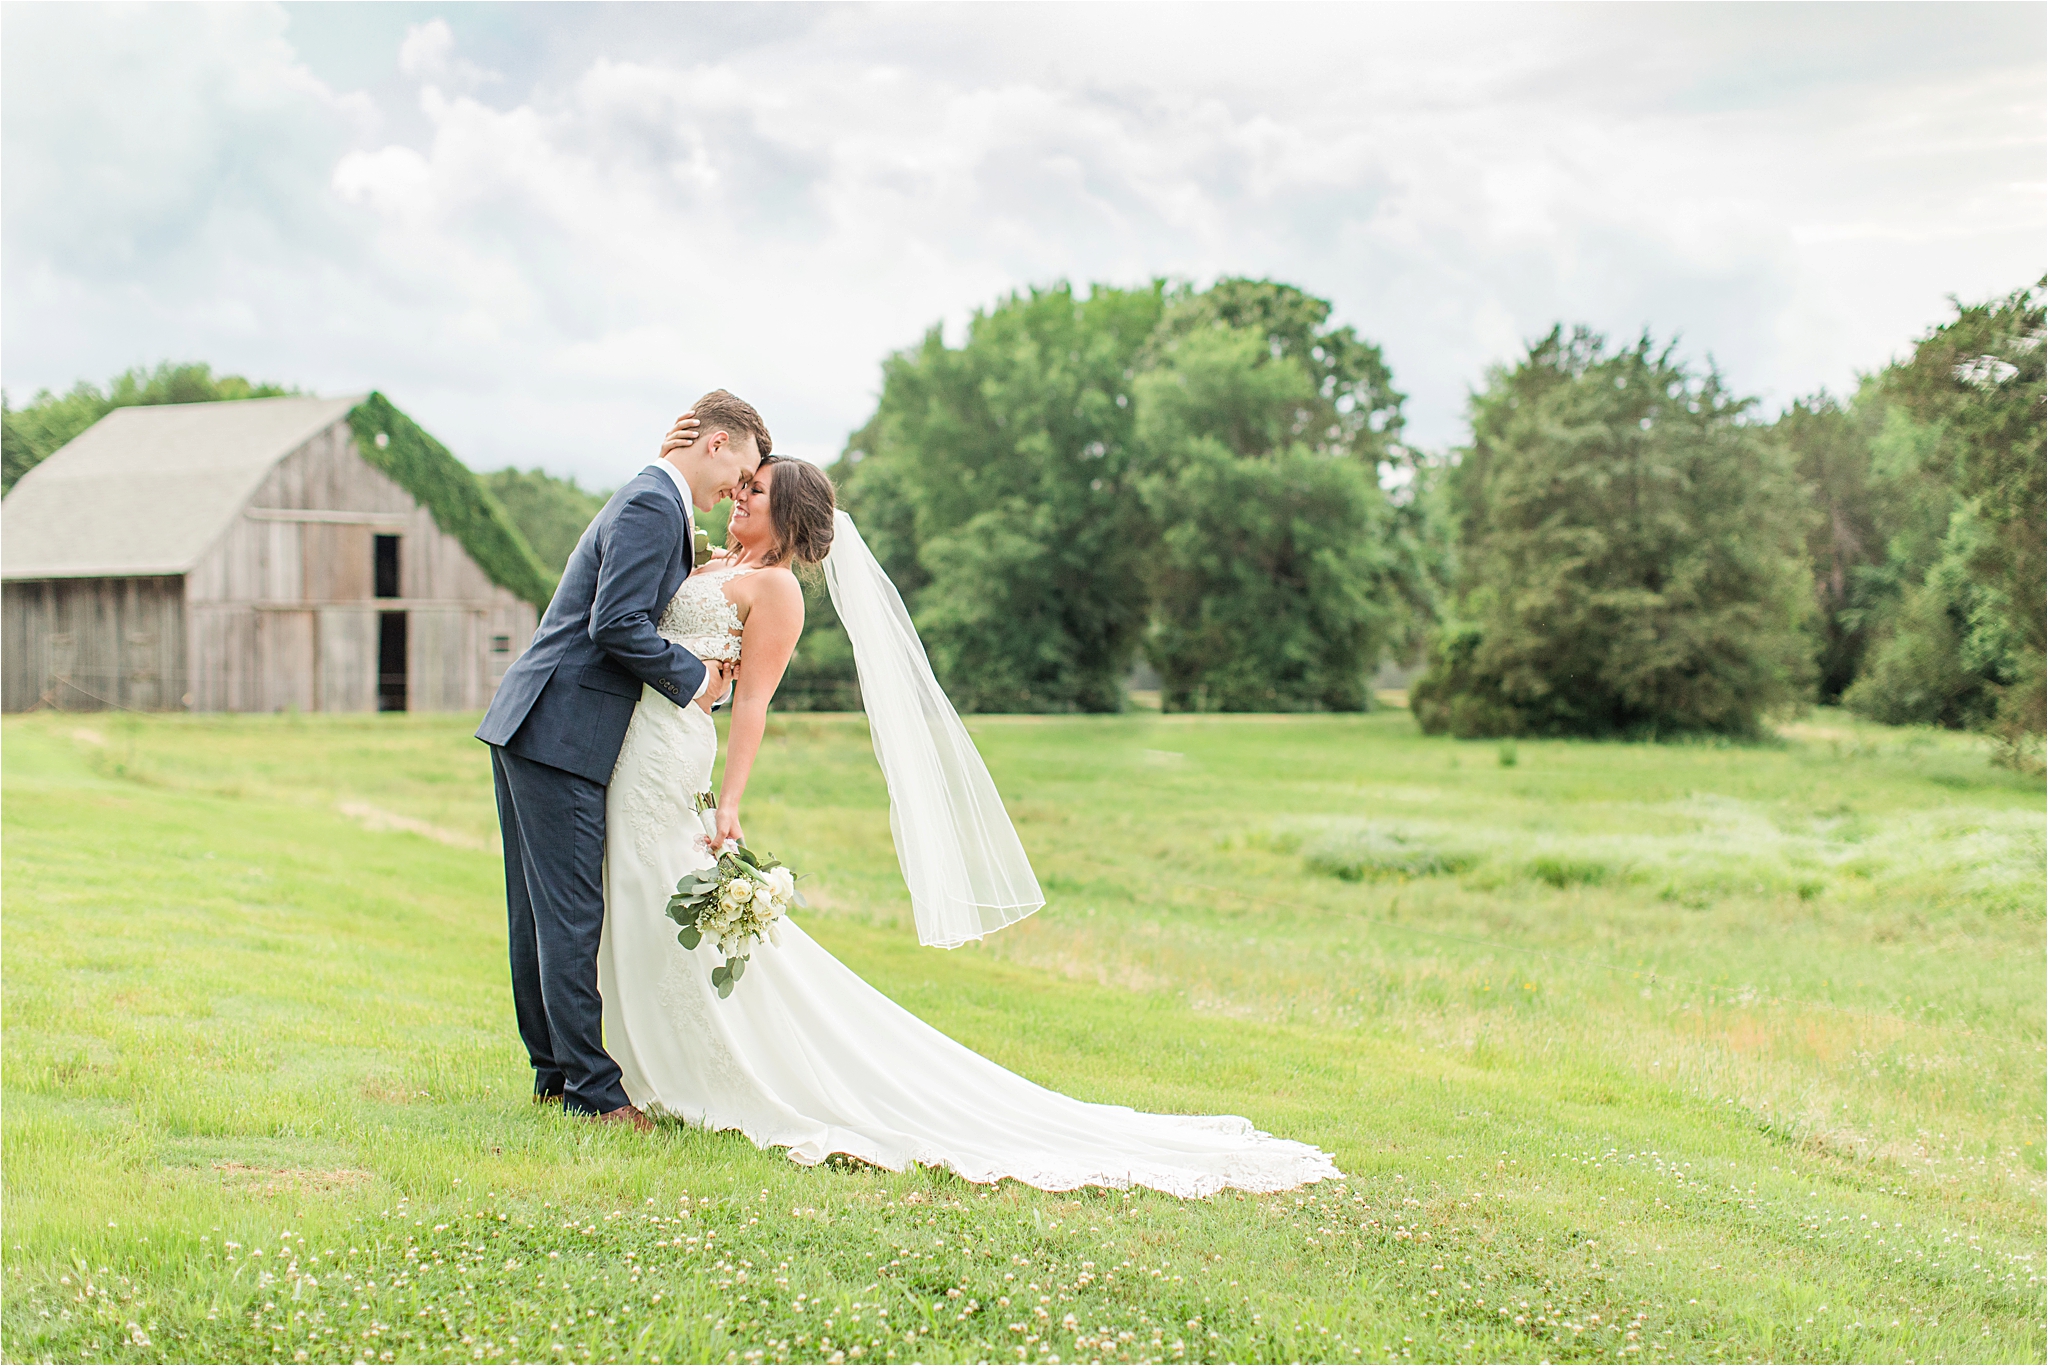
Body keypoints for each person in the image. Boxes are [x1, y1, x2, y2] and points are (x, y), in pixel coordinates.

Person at [596, 453, 1341, 1195]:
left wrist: (731, 801)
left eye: (753, 493)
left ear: (787, 515)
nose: (737, 499)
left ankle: (678, 1063)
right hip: (639, 737)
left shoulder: (777, 590)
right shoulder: (709, 558)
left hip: (676, 754)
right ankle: (627, 1050)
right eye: (741, 488)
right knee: (634, 884)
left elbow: (753, 701)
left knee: (655, 884)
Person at [476, 390, 768, 1128]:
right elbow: (615, 624)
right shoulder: (652, 505)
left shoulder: (656, 497)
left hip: (538, 722)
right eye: (746, 467)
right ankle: (592, 1093)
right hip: (563, 729)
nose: (742, 487)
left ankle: (554, 1074)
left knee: (541, 915)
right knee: (570, 915)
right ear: (717, 444)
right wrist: (696, 678)